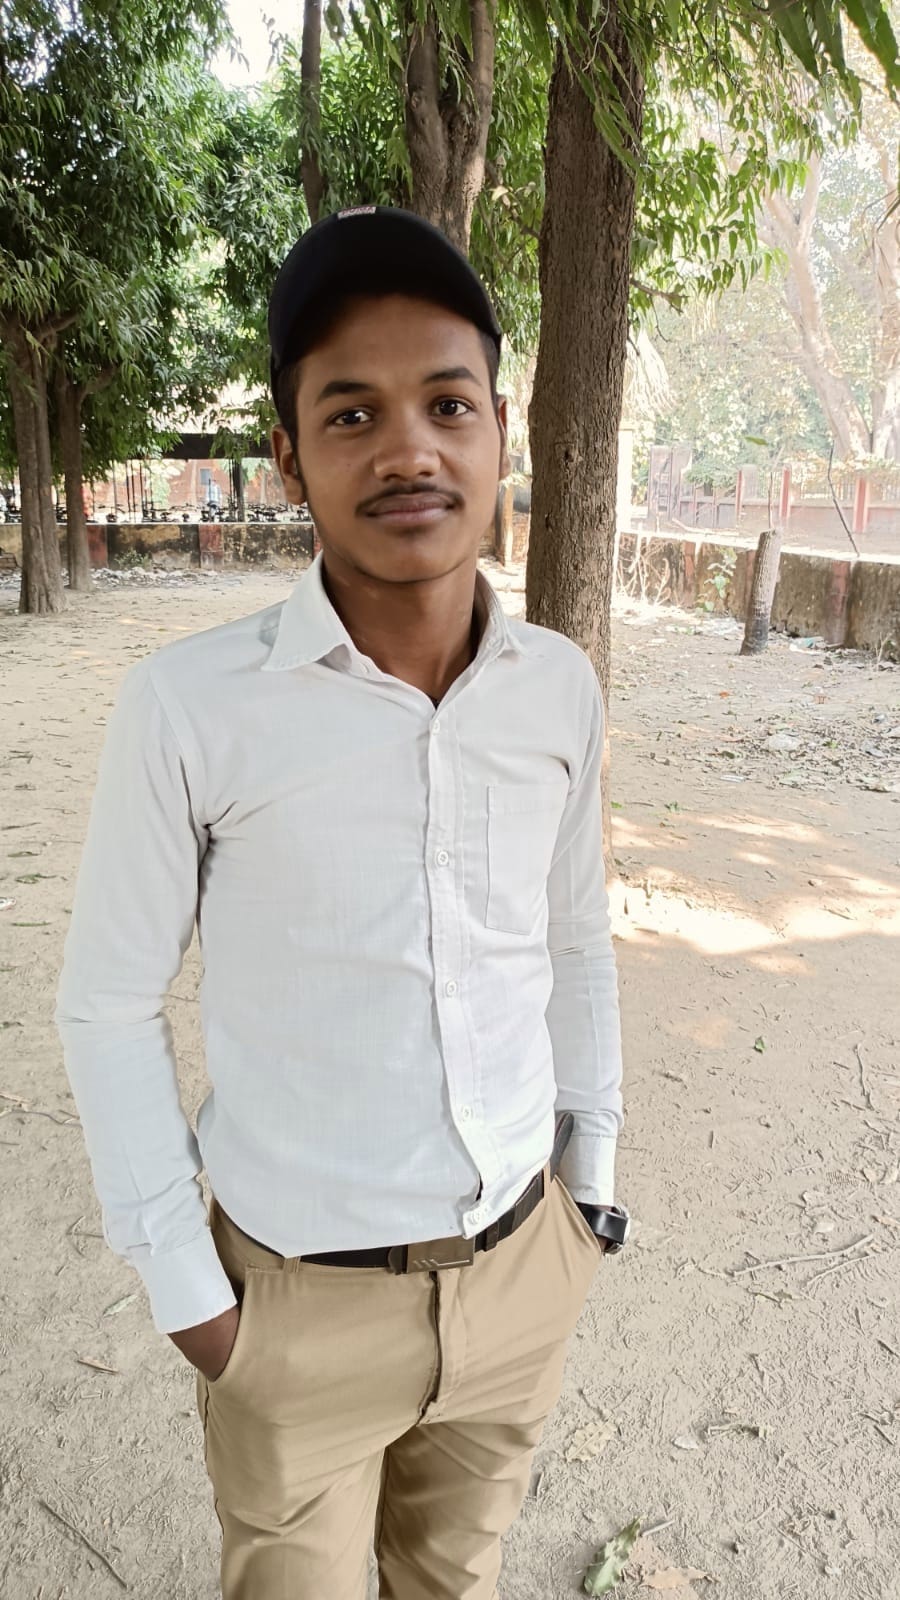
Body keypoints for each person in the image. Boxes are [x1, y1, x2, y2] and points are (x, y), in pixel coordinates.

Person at [57, 207, 628, 1600]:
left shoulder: (557, 688)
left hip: (520, 1273)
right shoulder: (191, 709)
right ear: (289, 455)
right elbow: (108, 1001)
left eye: (448, 404)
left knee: (453, 1580)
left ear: (502, 430)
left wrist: (591, 1185)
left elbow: (571, 937)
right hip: (293, 1306)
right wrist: (191, 1295)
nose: (409, 449)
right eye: (352, 413)